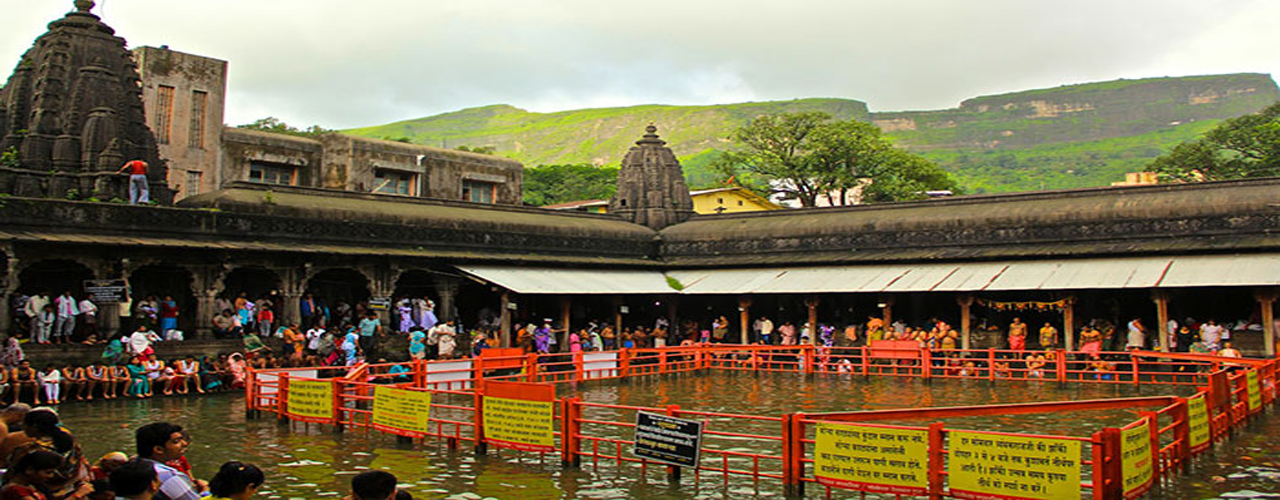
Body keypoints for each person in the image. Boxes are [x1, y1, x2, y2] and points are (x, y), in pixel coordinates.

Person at [9, 409, 90, 498]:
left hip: (48, 492)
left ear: (34, 426)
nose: (23, 428)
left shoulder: (29, 449)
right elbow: (81, 459)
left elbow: (13, 472)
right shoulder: (69, 438)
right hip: (71, 486)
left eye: (24, 424)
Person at [135, 423, 205, 500]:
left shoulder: (130, 467)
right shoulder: (168, 476)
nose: (184, 443)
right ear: (159, 449)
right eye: (176, 441)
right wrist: (205, 491)